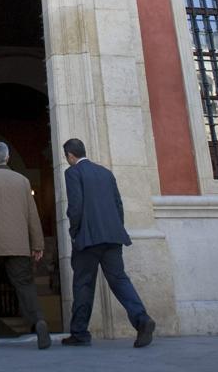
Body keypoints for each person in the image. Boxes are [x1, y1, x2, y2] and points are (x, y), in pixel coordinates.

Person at [60, 137, 156, 348]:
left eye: (66, 156)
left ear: (70, 155)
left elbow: (75, 206)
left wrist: (74, 232)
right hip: (113, 237)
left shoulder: (72, 173)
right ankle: (142, 320)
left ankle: (80, 333)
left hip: (87, 238)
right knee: (120, 280)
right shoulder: (105, 173)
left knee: (83, 284)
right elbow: (118, 204)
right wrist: (115, 229)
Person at [0, 141, 51, 350]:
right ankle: (39, 321)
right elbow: (32, 214)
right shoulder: (22, 181)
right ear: (7, 157)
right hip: (19, 242)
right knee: (25, 285)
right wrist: (37, 243)